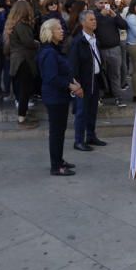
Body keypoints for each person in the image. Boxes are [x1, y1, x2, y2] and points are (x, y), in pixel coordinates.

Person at [38, 18, 82, 176]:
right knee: (56, 131)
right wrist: (72, 86)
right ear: (50, 32)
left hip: (60, 96)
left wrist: (72, 81)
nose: (62, 31)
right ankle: (56, 166)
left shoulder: (55, 49)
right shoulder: (49, 52)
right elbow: (51, 77)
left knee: (60, 130)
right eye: (58, 29)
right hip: (54, 97)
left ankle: (59, 159)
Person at [68, 10, 107, 151]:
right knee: (81, 111)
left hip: (95, 79)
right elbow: (72, 64)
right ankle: (78, 140)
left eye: (95, 19)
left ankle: (91, 135)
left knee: (92, 110)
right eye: (91, 20)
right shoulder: (78, 42)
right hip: (82, 82)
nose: (94, 21)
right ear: (83, 22)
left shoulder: (95, 39)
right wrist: (76, 84)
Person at [6, 0, 40, 128]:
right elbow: (28, 42)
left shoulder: (15, 24)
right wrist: (37, 43)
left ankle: (23, 114)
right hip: (23, 60)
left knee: (23, 90)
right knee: (25, 90)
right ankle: (22, 118)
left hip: (18, 60)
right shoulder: (22, 25)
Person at [92, 0, 128, 107]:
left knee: (115, 74)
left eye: (106, 2)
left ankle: (118, 97)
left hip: (114, 49)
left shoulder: (113, 14)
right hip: (100, 49)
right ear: (96, 3)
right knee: (99, 75)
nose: (103, 5)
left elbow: (124, 26)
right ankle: (100, 96)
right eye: (101, 2)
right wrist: (101, 15)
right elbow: (91, 26)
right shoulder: (93, 15)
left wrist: (115, 15)